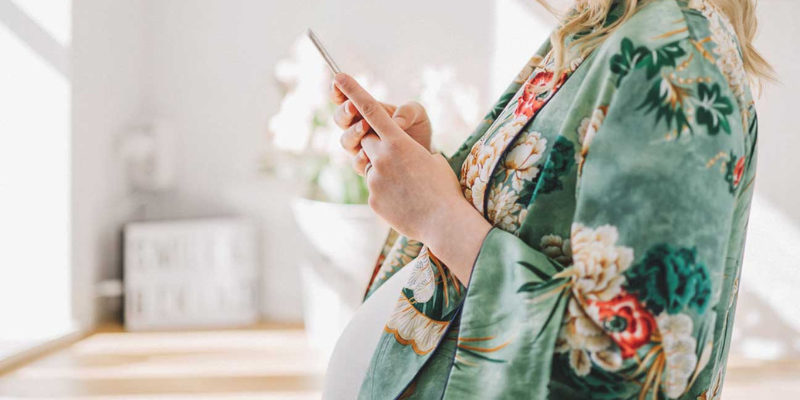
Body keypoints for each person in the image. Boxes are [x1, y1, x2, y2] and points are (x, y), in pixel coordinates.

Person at [326, 0, 772, 398]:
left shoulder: (674, 56)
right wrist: (421, 174)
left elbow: (634, 368)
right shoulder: (604, 25)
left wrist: (437, 215)